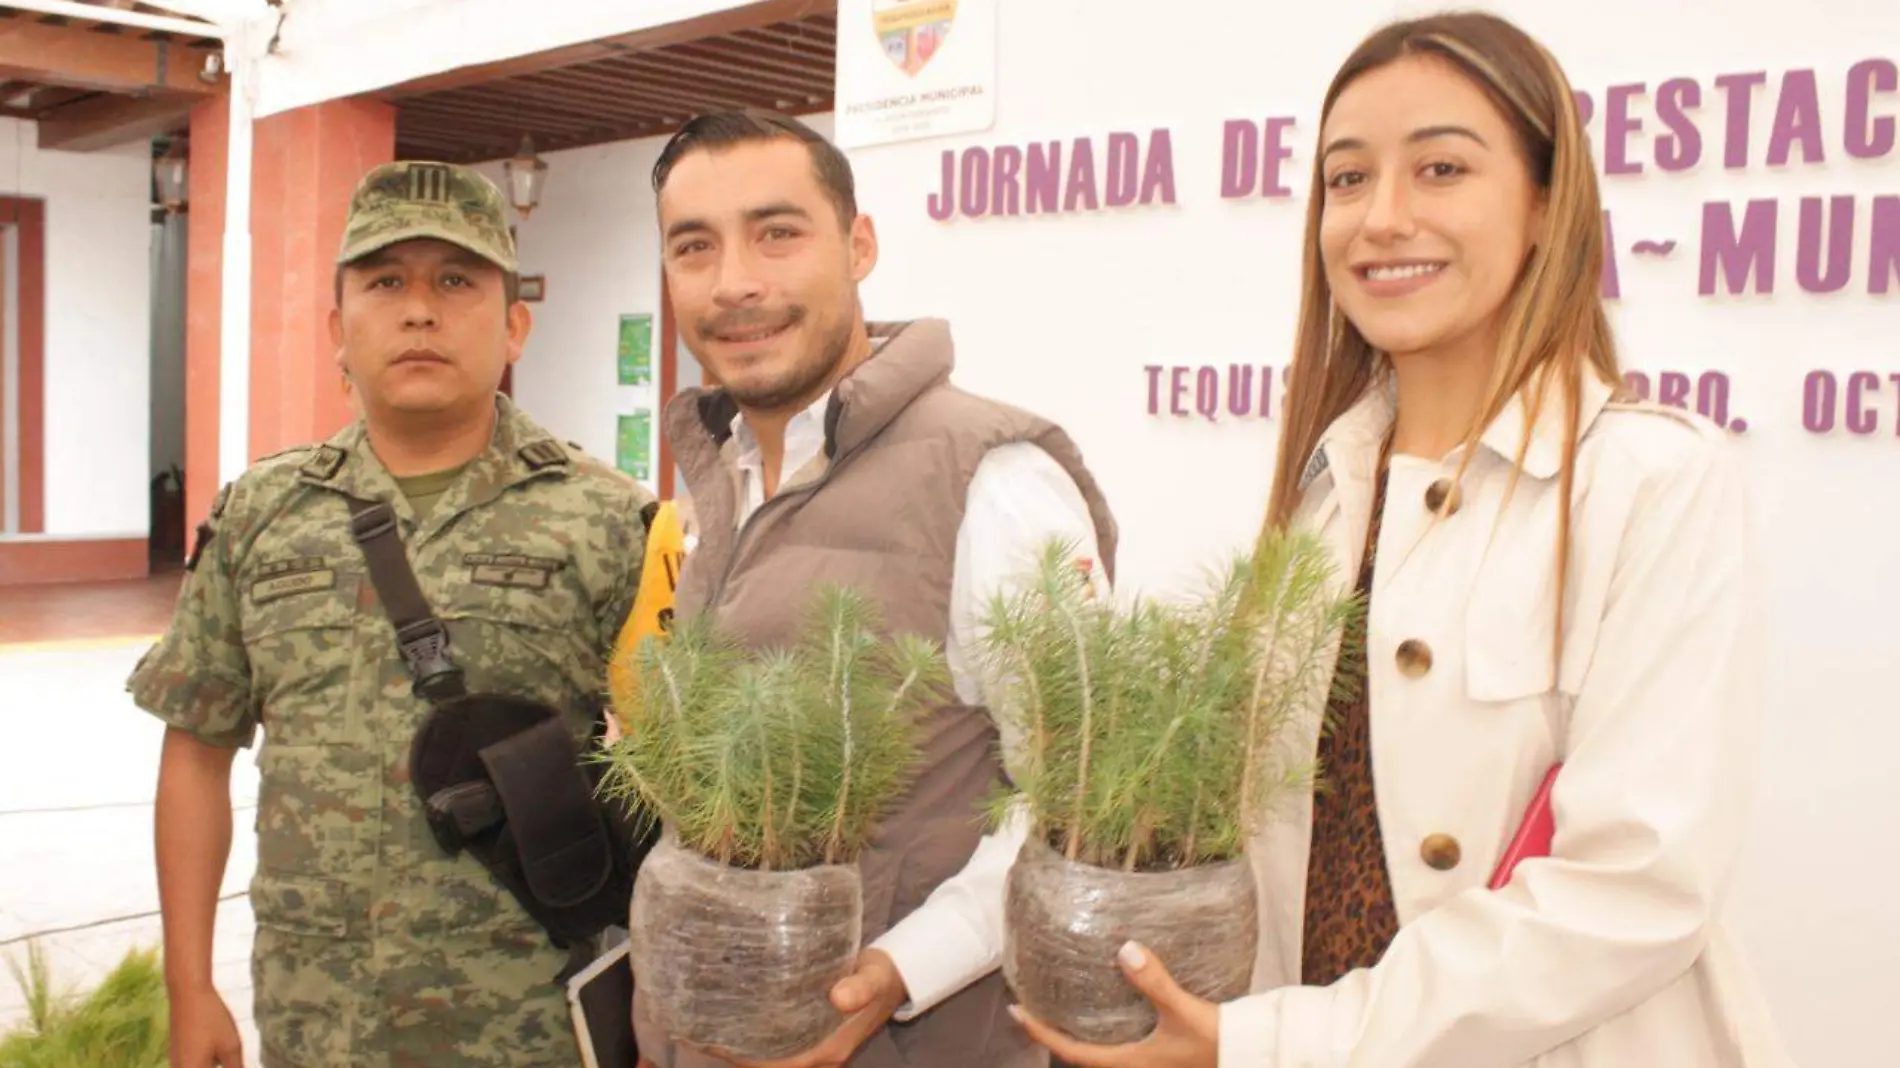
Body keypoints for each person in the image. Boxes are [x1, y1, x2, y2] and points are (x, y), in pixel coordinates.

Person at [1008, 11, 1793, 1068]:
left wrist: (1282, 1041)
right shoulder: (1322, 495)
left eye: (1440, 169)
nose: (1380, 218)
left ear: (1545, 207)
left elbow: (1635, 889)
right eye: (1345, 179)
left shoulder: (1651, 483)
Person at [129, 161, 654, 1068]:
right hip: (315, 1018)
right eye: (386, 281)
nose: (420, 310)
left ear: (514, 325)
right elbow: (196, 752)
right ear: (337, 330)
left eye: (457, 280)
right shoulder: (262, 512)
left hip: (533, 1025)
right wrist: (189, 987)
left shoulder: (610, 520)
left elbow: (677, 787)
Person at [630, 109, 1119, 1068]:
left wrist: (898, 970)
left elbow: (1073, 804)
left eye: (778, 233)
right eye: (695, 246)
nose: (736, 283)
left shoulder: (992, 479)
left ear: (859, 245)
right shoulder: (722, 478)